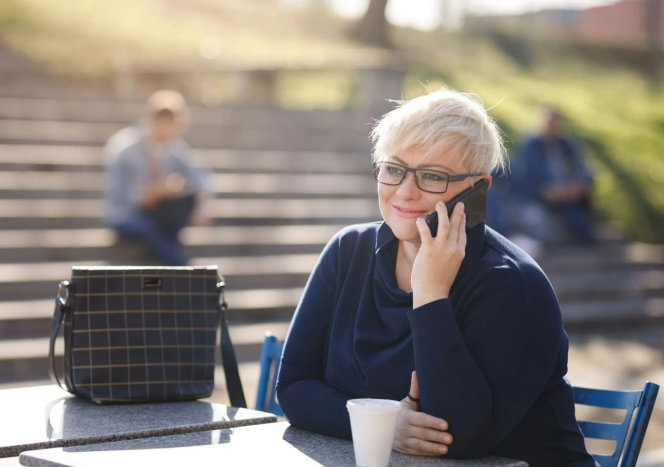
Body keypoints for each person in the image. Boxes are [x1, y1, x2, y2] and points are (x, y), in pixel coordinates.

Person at [276, 89, 596, 466]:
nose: (405, 192)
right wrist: (388, 425)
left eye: (432, 176)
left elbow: (458, 437)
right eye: (393, 169)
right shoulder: (348, 251)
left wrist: (430, 292)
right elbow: (294, 388)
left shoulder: (512, 283)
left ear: (479, 189)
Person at [104, 90, 211, 266]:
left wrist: (202, 205)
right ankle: (181, 266)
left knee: (184, 200)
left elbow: (200, 176)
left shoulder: (173, 147)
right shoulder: (124, 148)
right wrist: (155, 192)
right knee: (152, 231)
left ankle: (168, 260)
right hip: (126, 215)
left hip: (154, 214)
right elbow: (121, 197)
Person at [514, 108, 596, 245]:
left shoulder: (566, 145)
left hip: (569, 194)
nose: (553, 127)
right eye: (550, 123)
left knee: (576, 212)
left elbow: (583, 168)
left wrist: (580, 183)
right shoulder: (531, 146)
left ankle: (583, 238)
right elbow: (527, 175)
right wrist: (548, 190)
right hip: (542, 194)